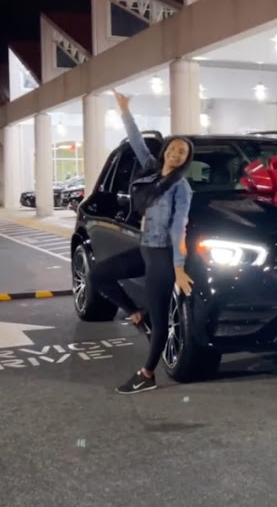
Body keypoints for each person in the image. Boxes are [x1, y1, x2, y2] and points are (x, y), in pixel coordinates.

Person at [90, 90, 194, 394]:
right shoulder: (150, 169)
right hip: (145, 248)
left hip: (162, 254)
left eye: (183, 152)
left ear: (186, 160)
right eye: (173, 148)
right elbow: (136, 141)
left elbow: (179, 226)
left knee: (160, 318)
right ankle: (135, 313)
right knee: (98, 276)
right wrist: (124, 111)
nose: (176, 154)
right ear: (165, 151)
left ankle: (147, 374)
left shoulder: (181, 187)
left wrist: (178, 268)